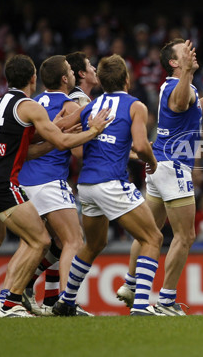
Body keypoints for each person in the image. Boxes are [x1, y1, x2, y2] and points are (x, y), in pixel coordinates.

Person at [0, 54, 112, 318]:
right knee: (42, 239)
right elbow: (64, 144)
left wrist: (57, 133)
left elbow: (27, 148)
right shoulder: (27, 105)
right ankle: (11, 302)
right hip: (3, 183)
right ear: (32, 78)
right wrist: (93, 130)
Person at [115, 39, 203, 316]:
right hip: (173, 168)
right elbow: (181, 102)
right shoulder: (176, 86)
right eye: (184, 53)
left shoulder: (178, 85)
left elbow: (196, 107)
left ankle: (130, 283)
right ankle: (167, 300)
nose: (192, 53)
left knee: (149, 230)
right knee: (185, 235)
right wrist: (186, 71)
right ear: (174, 63)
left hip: (159, 165)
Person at [52, 54, 165, 317]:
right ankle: (140, 307)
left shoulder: (92, 104)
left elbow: (61, 127)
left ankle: (66, 300)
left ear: (101, 82)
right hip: (111, 183)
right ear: (127, 78)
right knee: (152, 238)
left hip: (87, 185)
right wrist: (151, 161)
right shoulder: (136, 106)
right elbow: (140, 145)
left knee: (94, 244)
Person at [16, 55, 92, 316]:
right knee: (74, 241)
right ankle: (66, 302)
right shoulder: (70, 106)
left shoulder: (34, 103)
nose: (73, 73)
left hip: (24, 181)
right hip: (48, 180)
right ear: (64, 78)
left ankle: (23, 286)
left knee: (51, 243)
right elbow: (80, 152)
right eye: (70, 70)